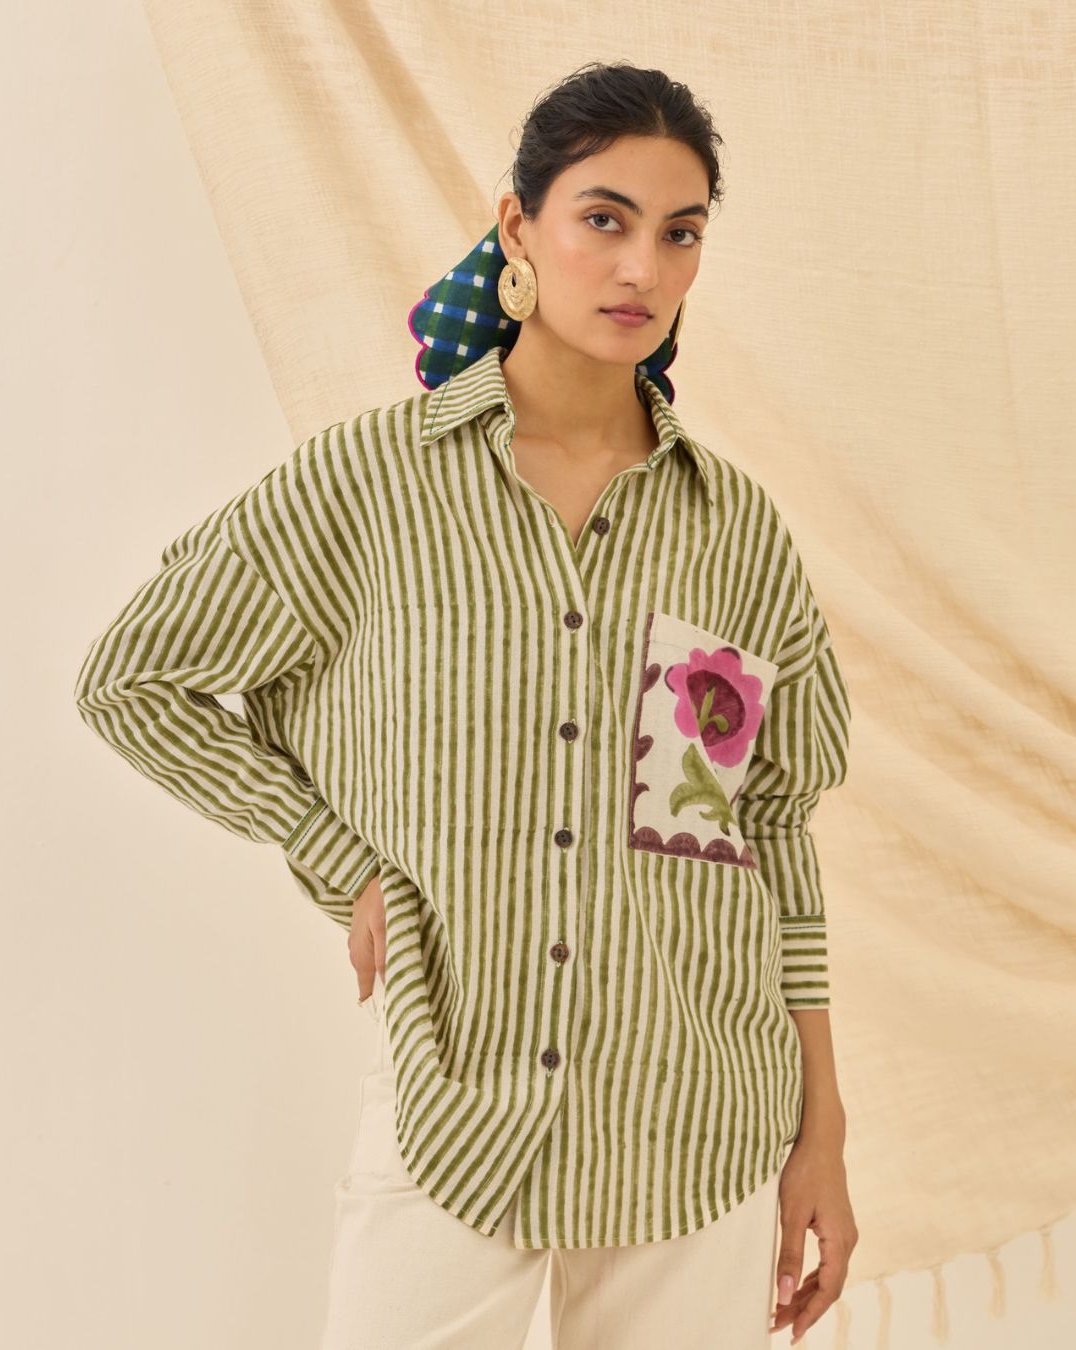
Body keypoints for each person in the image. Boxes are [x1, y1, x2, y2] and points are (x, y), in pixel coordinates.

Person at [75, 59, 858, 1349]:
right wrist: (342, 862)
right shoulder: (374, 484)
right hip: (454, 1100)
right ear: (518, 228)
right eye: (603, 219)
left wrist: (821, 1130)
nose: (642, 268)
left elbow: (761, 830)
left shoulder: (731, 531)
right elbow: (136, 678)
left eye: (679, 234)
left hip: (701, 1115)